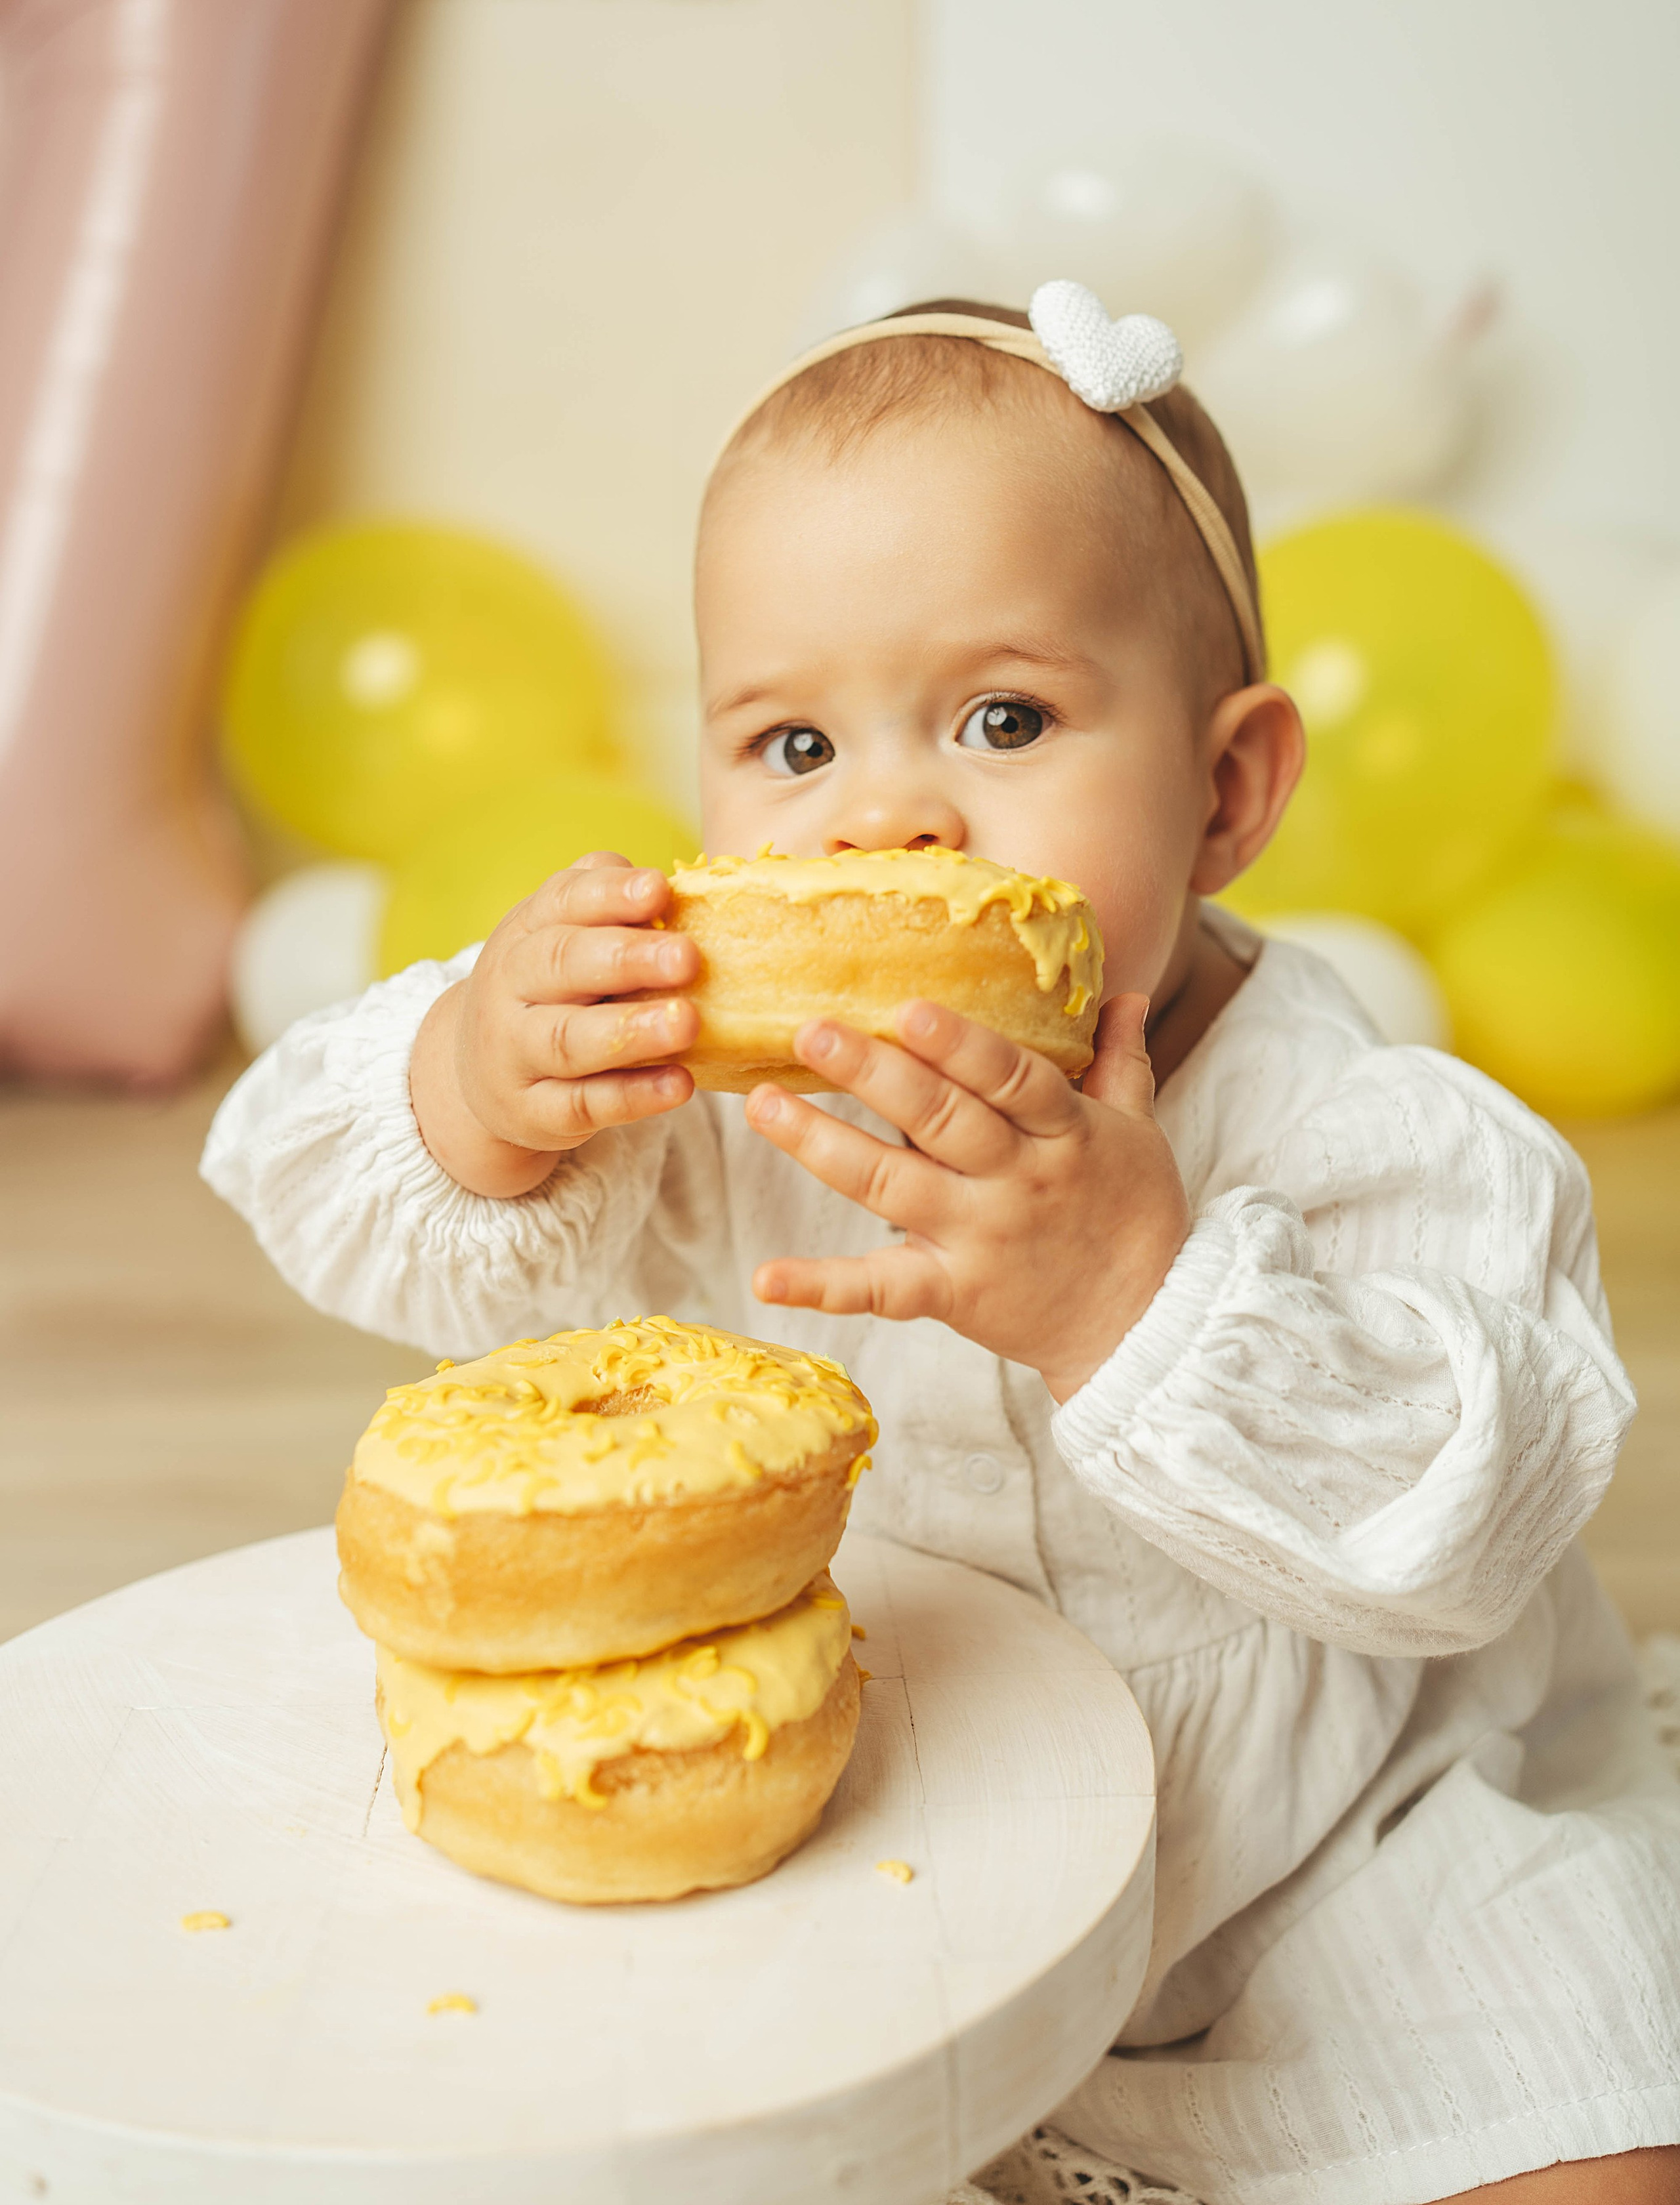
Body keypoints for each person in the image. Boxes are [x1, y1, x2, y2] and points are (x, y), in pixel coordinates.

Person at [204, 291, 1680, 2205]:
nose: (883, 819)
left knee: (1592, 2127)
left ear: (1225, 791)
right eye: (793, 740)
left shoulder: (1360, 1133)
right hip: (907, 1828)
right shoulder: (703, 1100)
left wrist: (1135, 1301)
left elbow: (1479, 1516)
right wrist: (472, 1080)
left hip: (1343, 1858)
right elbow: (314, 1196)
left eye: (1005, 719)